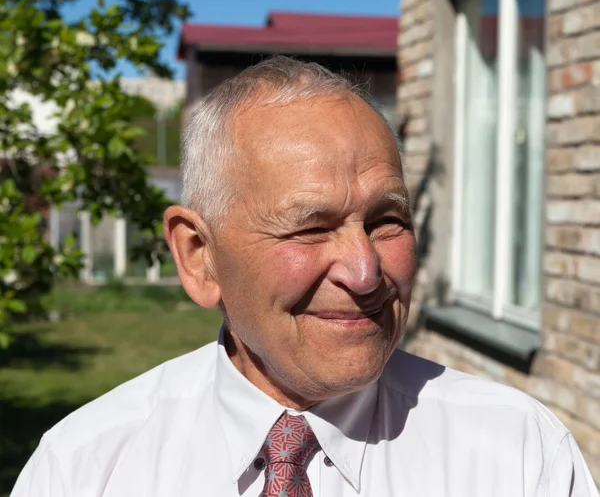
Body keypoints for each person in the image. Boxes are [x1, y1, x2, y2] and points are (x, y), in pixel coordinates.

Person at [12, 57, 598, 497]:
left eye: (386, 221)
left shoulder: (517, 456)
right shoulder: (86, 469)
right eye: (309, 229)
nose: (365, 271)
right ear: (197, 256)